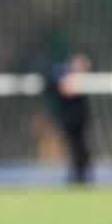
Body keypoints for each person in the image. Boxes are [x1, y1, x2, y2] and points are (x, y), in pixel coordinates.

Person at [47, 52, 93, 184]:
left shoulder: (81, 77)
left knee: (81, 152)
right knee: (76, 151)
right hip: (68, 119)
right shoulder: (62, 71)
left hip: (79, 120)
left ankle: (80, 180)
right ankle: (76, 180)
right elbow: (64, 89)